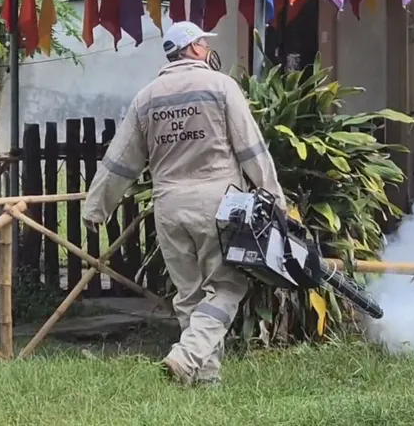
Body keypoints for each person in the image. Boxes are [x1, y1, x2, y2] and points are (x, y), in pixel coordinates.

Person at [82, 21, 286, 385]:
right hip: (219, 205)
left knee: (190, 294)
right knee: (227, 287)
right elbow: (250, 148)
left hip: (169, 206)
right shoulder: (220, 86)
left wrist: (96, 207)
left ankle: (204, 379)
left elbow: (121, 160)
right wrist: (277, 200)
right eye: (204, 43)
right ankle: (187, 354)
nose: (208, 49)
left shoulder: (147, 97)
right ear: (193, 48)